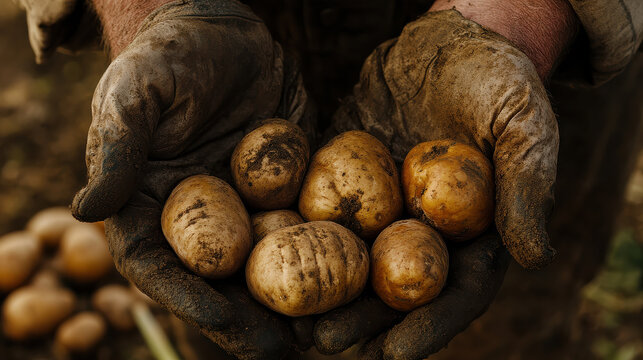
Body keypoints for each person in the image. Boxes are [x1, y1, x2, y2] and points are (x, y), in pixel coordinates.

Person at [17, 0, 642, 359]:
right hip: (222, 41)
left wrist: (516, 19)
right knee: (224, 331)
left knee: (508, 319)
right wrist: (155, 8)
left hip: (517, 25)